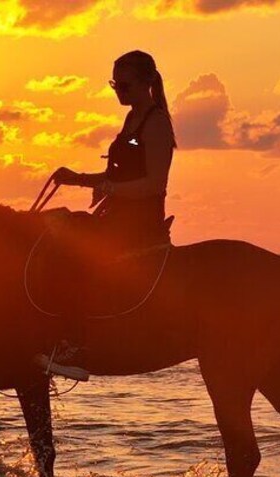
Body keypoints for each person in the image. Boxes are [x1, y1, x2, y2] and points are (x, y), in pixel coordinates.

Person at [34, 50, 177, 380]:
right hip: (117, 216)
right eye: (115, 84)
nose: (118, 92)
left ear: (146, 83)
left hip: (139, 223)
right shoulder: (132, 120)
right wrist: (77, 179)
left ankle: (77, 346)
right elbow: (117, 176)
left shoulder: (155, 123)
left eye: (124, 85)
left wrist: (110, 189)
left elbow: (155, 184)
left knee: (72, 250)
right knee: (53, 229)